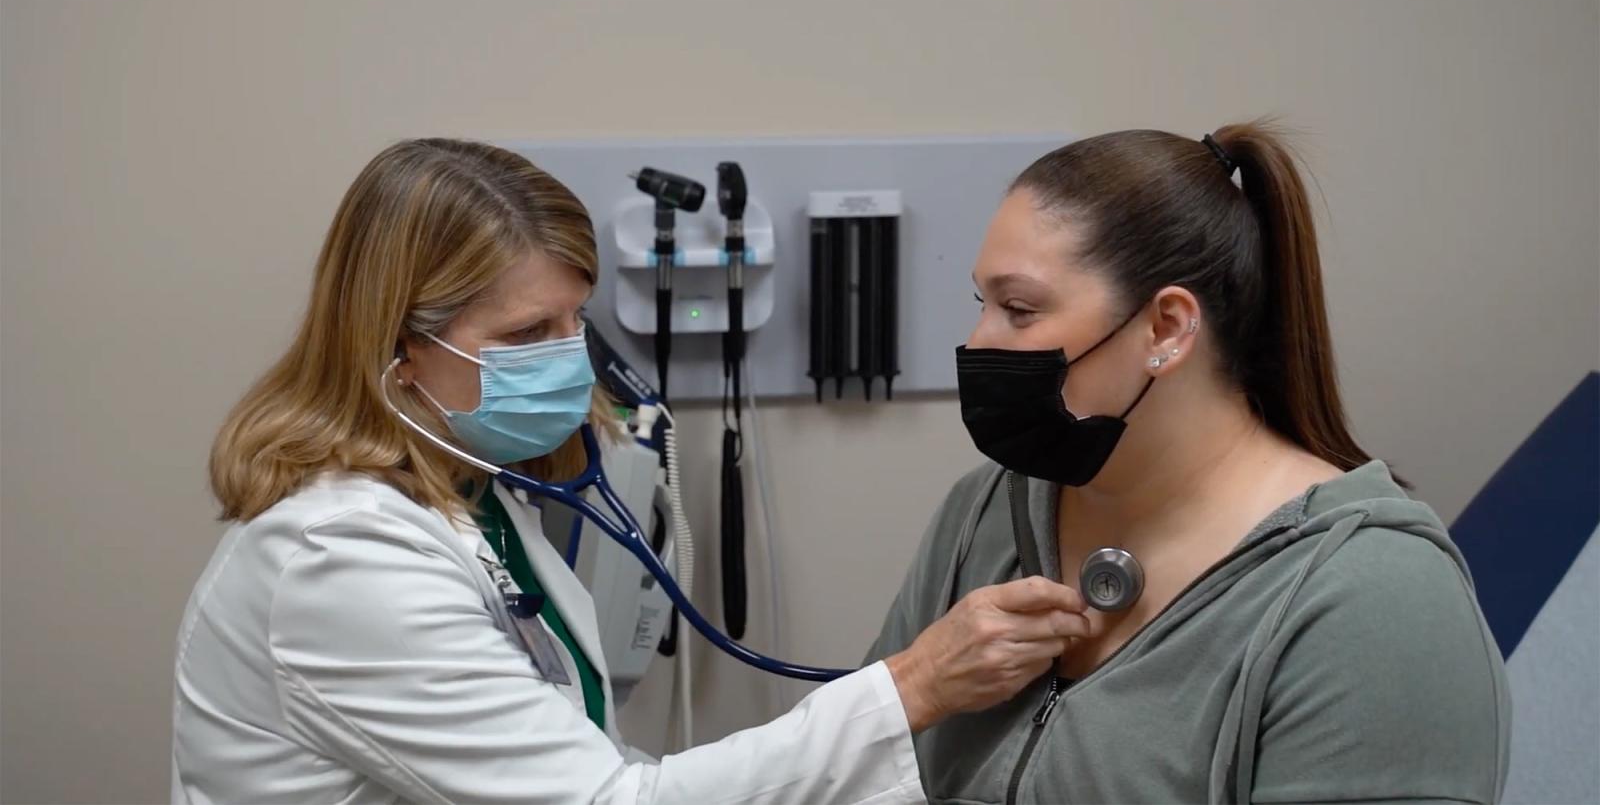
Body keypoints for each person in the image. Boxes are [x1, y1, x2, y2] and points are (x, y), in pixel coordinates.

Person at [171, 139, 1093, 804]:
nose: (572, 360)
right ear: (396, 352)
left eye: (576, 319)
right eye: (527, 335)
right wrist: (917, 684)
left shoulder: (474, 494)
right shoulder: (341, 559)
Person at [866, 123, 1511, 804]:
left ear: (1167, 330)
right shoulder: (986, 515)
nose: (978, 342)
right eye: (983, 304)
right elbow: (853, 774)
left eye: (1019, 310)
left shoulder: (1372, 601)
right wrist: (913, 684)